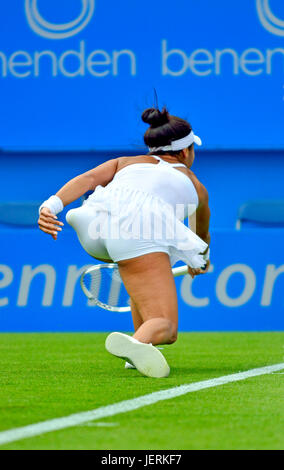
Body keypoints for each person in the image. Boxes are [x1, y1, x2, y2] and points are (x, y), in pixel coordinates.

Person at [38, 107, 211, 378]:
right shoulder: (196, 186)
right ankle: (138, 343)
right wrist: (200, 263)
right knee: (166, 326)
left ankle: (139, 349)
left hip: (96, 225)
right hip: (137, 233)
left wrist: (50, 207)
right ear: (185, 151)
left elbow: (88, 179)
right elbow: (201, 238)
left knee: (144, 281)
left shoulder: (125, 162)